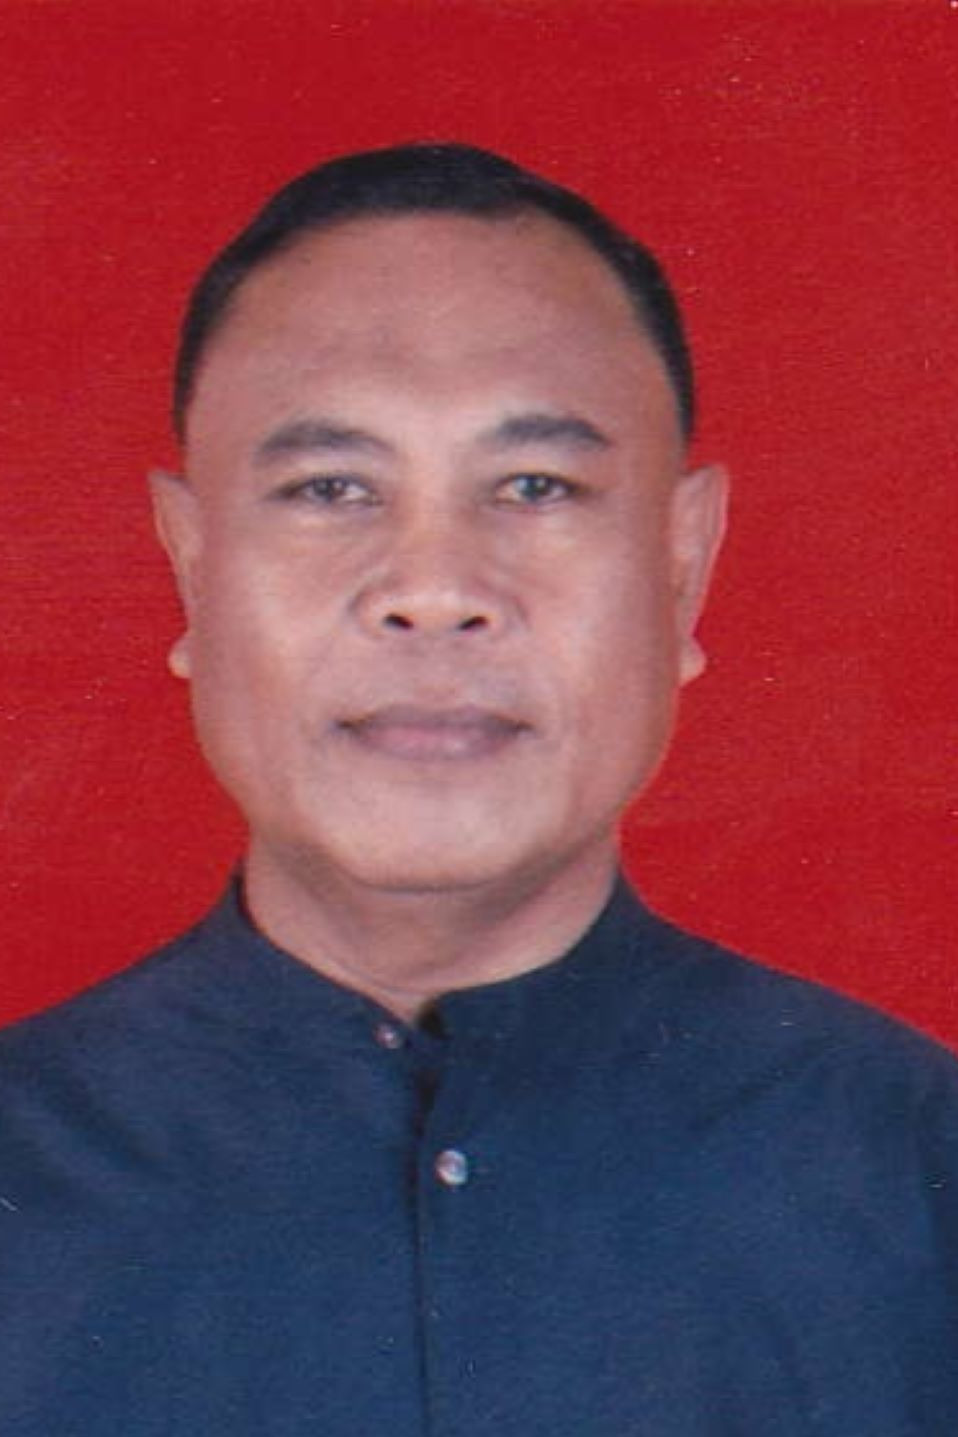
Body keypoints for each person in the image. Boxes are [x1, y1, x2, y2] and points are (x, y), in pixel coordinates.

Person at [1, 143, 956, 1434]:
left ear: (683, 565)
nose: (435, 589)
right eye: (330, 488)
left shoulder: (920, 1174)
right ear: (191, 566)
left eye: (534, 487)